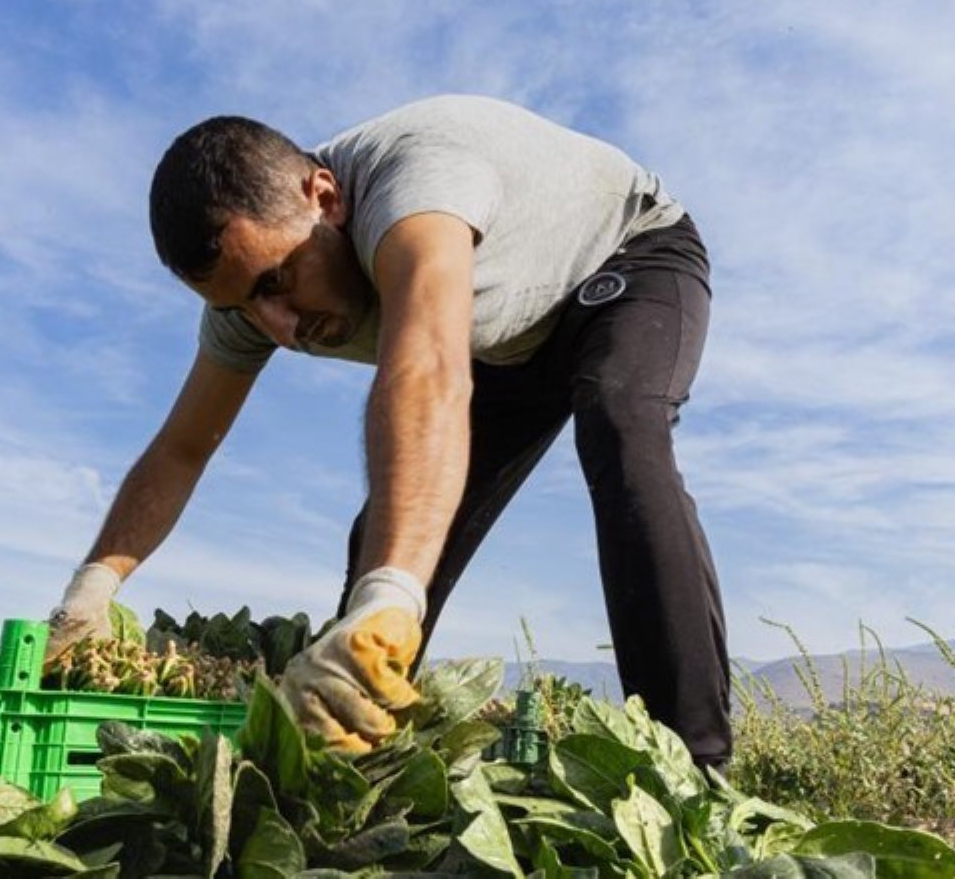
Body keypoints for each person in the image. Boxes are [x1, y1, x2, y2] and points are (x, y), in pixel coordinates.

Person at [45, 95, 731, 770]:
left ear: (324, 197)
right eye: (245, 305)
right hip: (502, 342)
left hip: (626, 258)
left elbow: (427, 367)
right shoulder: (249, 300)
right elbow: (182, 447)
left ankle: (693, 772)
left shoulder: (414, 188)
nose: (279, 326)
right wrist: (95, 583)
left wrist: (392, 592)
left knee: (619, 422)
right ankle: (359, 768)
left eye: (280, 281)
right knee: (385, 528)